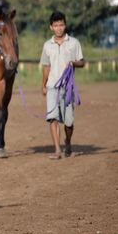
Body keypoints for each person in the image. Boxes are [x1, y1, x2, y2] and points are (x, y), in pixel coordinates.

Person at [40, 11, 85, 159]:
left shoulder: (74, 42)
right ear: (51, 27)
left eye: (61, 25)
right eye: (56, 25)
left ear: (65, 25)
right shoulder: (47, 45)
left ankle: (68, 144)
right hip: (53, 86)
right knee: (52, 118)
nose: (59, 28)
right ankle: (57, 150)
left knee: (69, 121)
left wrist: (74, 63)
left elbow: (82, 62)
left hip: (68, 87)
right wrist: (44, 85)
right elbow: (46, 66)